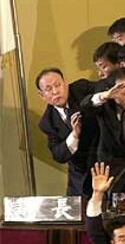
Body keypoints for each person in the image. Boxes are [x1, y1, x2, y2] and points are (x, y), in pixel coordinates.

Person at [37, 68, 98, 196]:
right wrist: (74, 135)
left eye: (58, 85)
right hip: (79, 176)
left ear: (65, 84)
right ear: (42, 95)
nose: (55, 91)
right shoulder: (47, 122)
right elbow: (59, 155)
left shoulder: (81, 89)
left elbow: (105, 86)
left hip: (104, 163)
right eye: (48, 89)